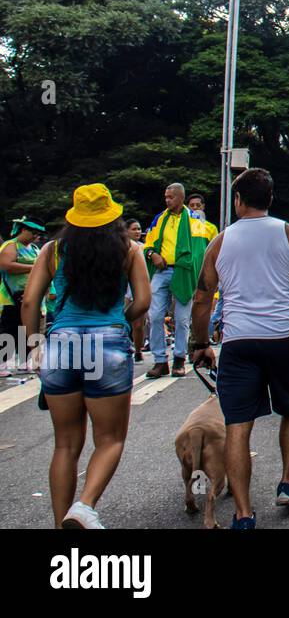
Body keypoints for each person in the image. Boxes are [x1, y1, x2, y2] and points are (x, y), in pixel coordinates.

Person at [191, 168, 289, 529]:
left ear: (237, 201)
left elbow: (203, 297)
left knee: (238, 425)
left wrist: (201, 343)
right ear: (270, 199)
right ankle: (288, 481)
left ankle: (242, 514)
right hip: (284, 339)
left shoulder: (219, 242)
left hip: (238, 344)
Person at [21, 184, 151, 528]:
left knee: (65, 445)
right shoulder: (129, 249)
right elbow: (143, 301)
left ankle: (60, 524)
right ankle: (84, 506)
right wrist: (117, 323)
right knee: (109, 440)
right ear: (112, 216)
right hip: (107, 346)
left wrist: (35, 344)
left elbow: (31, 302)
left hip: (62, 345)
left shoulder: (52, 251)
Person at [141, 182, 215, 378]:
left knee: (182, 319)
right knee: (155, 315)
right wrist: (152, 255)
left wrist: (192, 267)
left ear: (181, 198)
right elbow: (148, 244)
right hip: (162, 270)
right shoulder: (159, 219)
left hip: (184, 271)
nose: (167, 200)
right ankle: (159, 360)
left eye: (171, 197)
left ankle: (179, 358)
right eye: (165, 197)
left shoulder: (194, 220)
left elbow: (200, 250)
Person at [1, 216, 44, 374]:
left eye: (38, 233)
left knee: (27, 328)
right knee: (10, 329)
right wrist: (33, 267)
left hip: (31, 295)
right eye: (33, 232)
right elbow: (6, 265)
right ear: (24, 230)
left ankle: (25, 361)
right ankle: (2, 362)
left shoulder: (34, 249)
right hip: (11, 295)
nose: (36, 236)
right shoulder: (11, 245)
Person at [121, 218, 147, 361]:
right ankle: (124, 345)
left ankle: (138, 350)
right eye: (134, 229)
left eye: (139, 229)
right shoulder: (120, 249)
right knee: (123, 321)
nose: (137, 231)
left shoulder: (143, 247)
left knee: (138, 324)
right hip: (125, 291)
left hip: (139, 289)